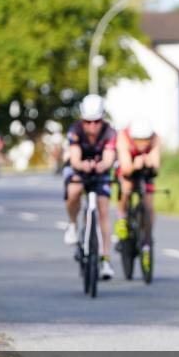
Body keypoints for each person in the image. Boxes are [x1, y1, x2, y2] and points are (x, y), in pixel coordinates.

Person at [63, 94, 116, 280]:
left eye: (96, 121)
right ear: (82, 120)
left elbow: (109, 159)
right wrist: (83, 165)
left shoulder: (110, 132)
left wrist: (101, 166)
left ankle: (105, 259)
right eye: (88, 121)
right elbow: (75, 159)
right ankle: (72, 224)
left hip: (100, 169)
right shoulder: (75, 130)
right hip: (80, 168)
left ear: (103, 119)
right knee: (74, 191)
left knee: (103, 209)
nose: (92, 126)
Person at [114, 116, 161, 254]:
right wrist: (135, 165)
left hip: (145, 169)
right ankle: (122, 218)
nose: (144, 144)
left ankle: (147, 235)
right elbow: (125, 168)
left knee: (149, 204)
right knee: (126, 187)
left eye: (146, 140)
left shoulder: (155, 138)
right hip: (128, 165)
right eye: (140, 140)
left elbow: (156, 167)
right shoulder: (123, 138)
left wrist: (150, 163)